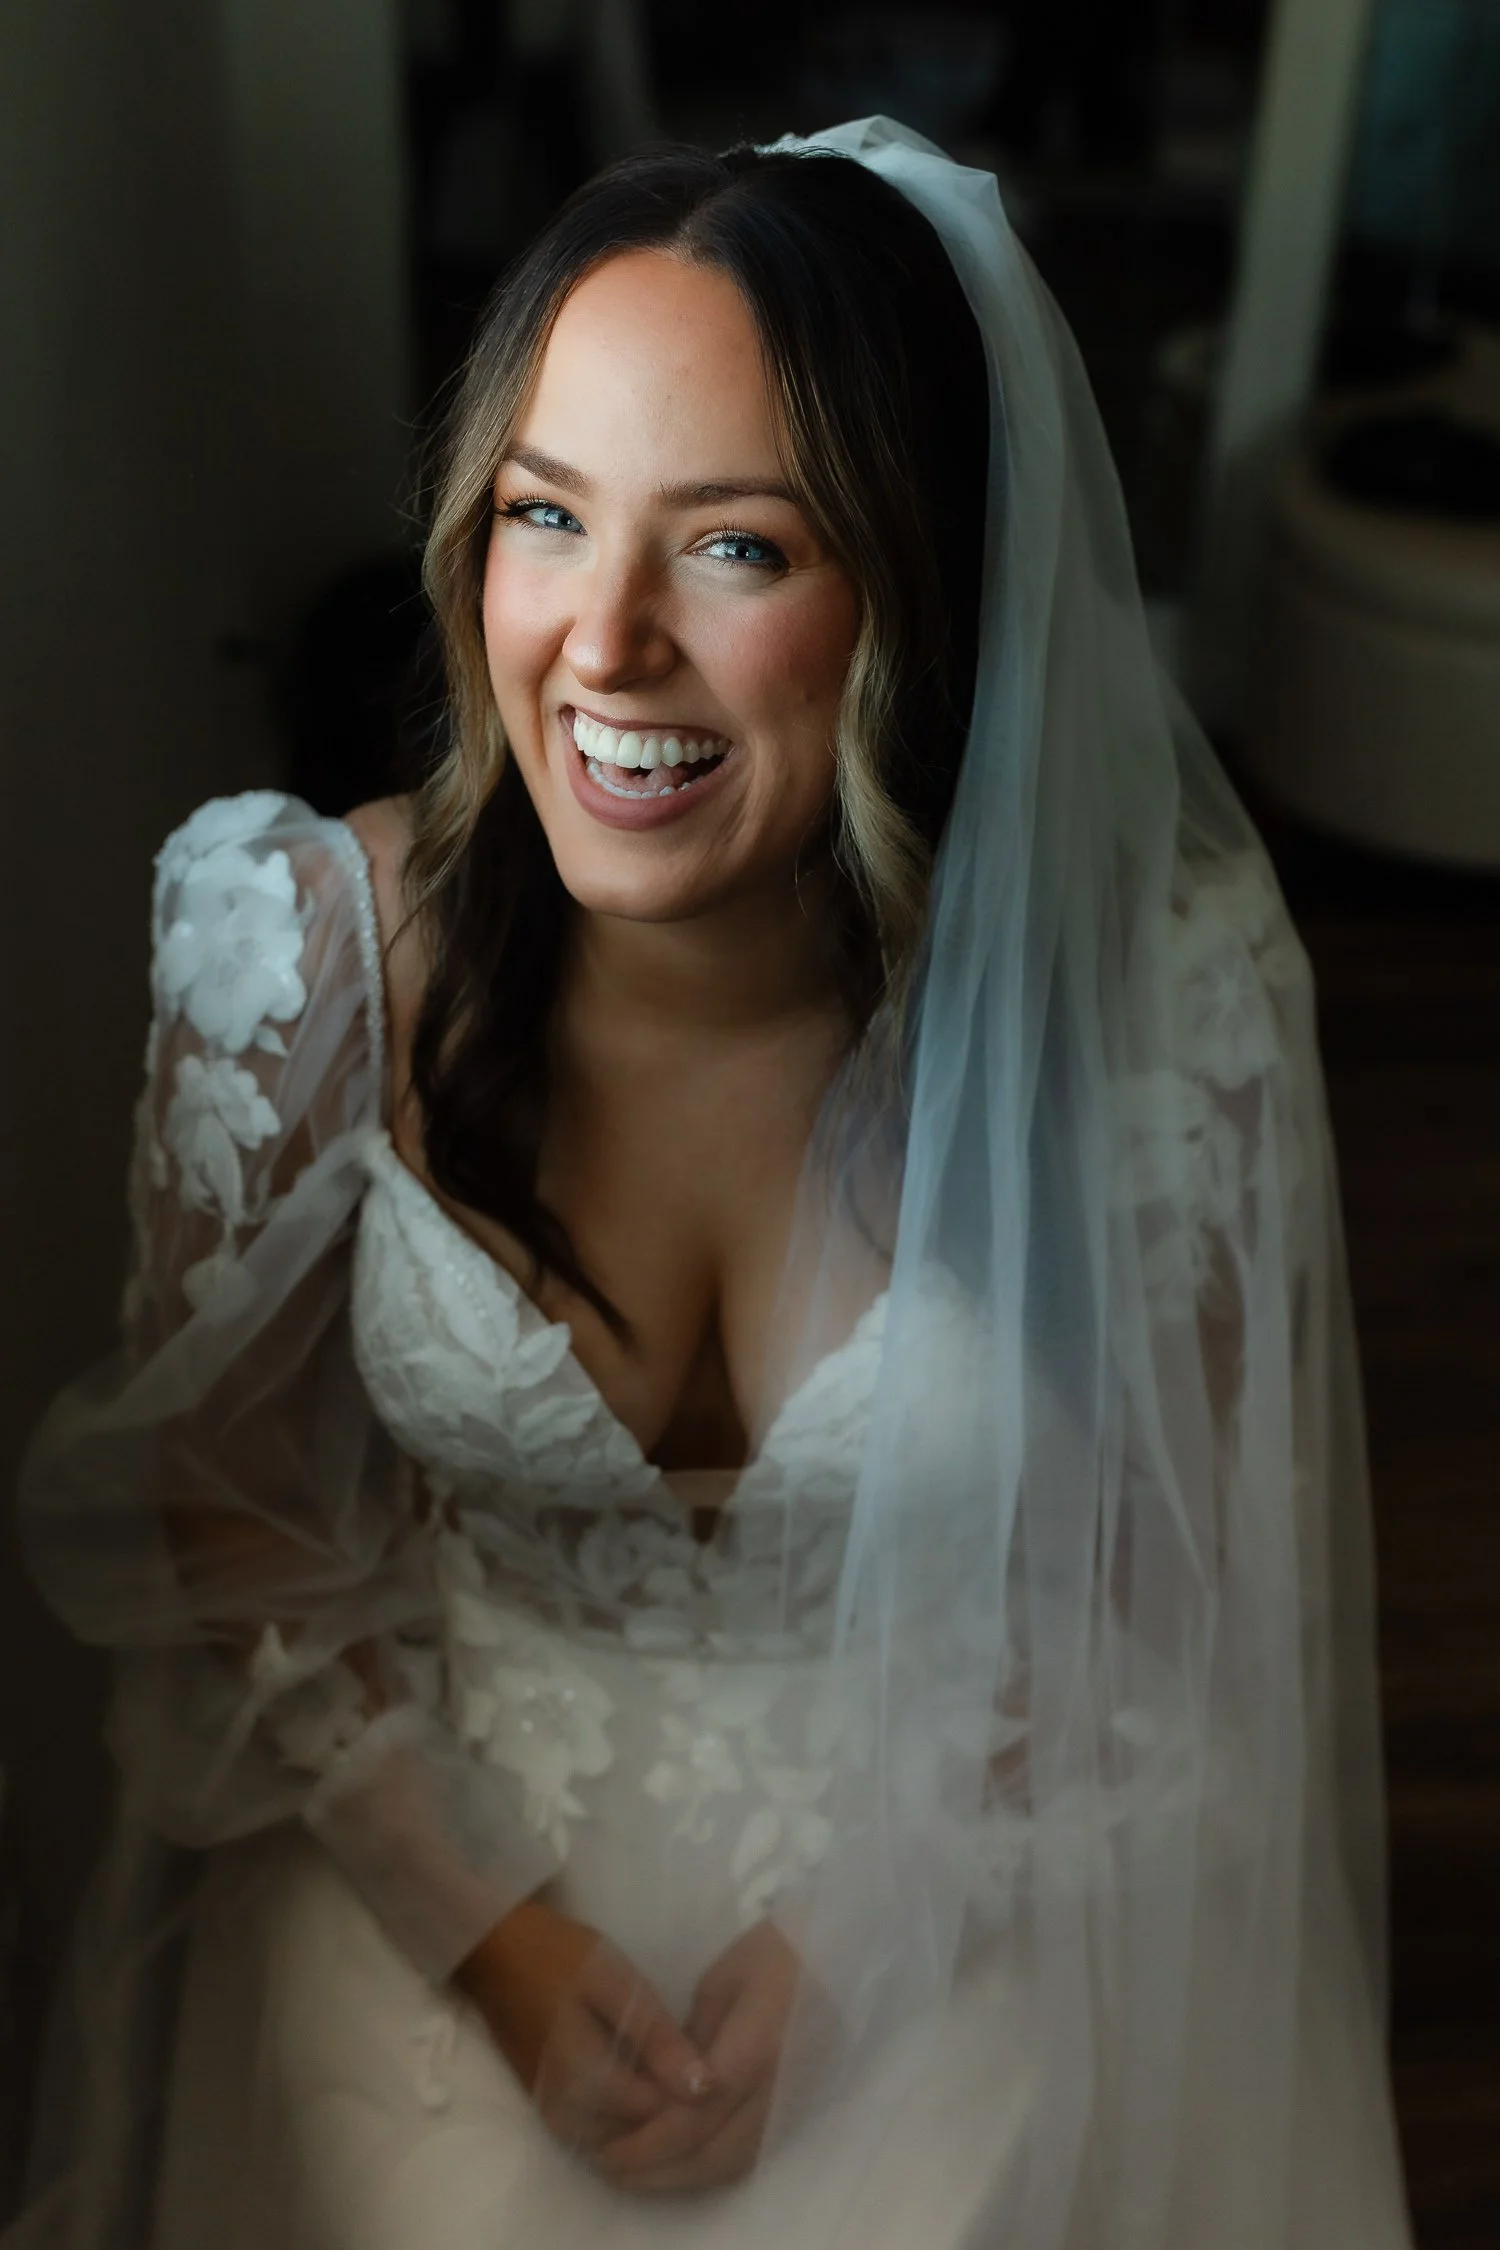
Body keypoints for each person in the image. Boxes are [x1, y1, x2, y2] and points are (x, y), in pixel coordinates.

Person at [8, 118, 1416, 2248]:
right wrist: (492, 1932)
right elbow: (230, 1497)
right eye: (546, 517)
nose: (604, 641)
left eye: (738, 547)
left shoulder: (1152, 1010)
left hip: (964, 1898)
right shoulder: (290, 954)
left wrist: (863, 1942)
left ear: (917, 597)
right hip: (437, 1893)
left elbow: (1171, 1570)